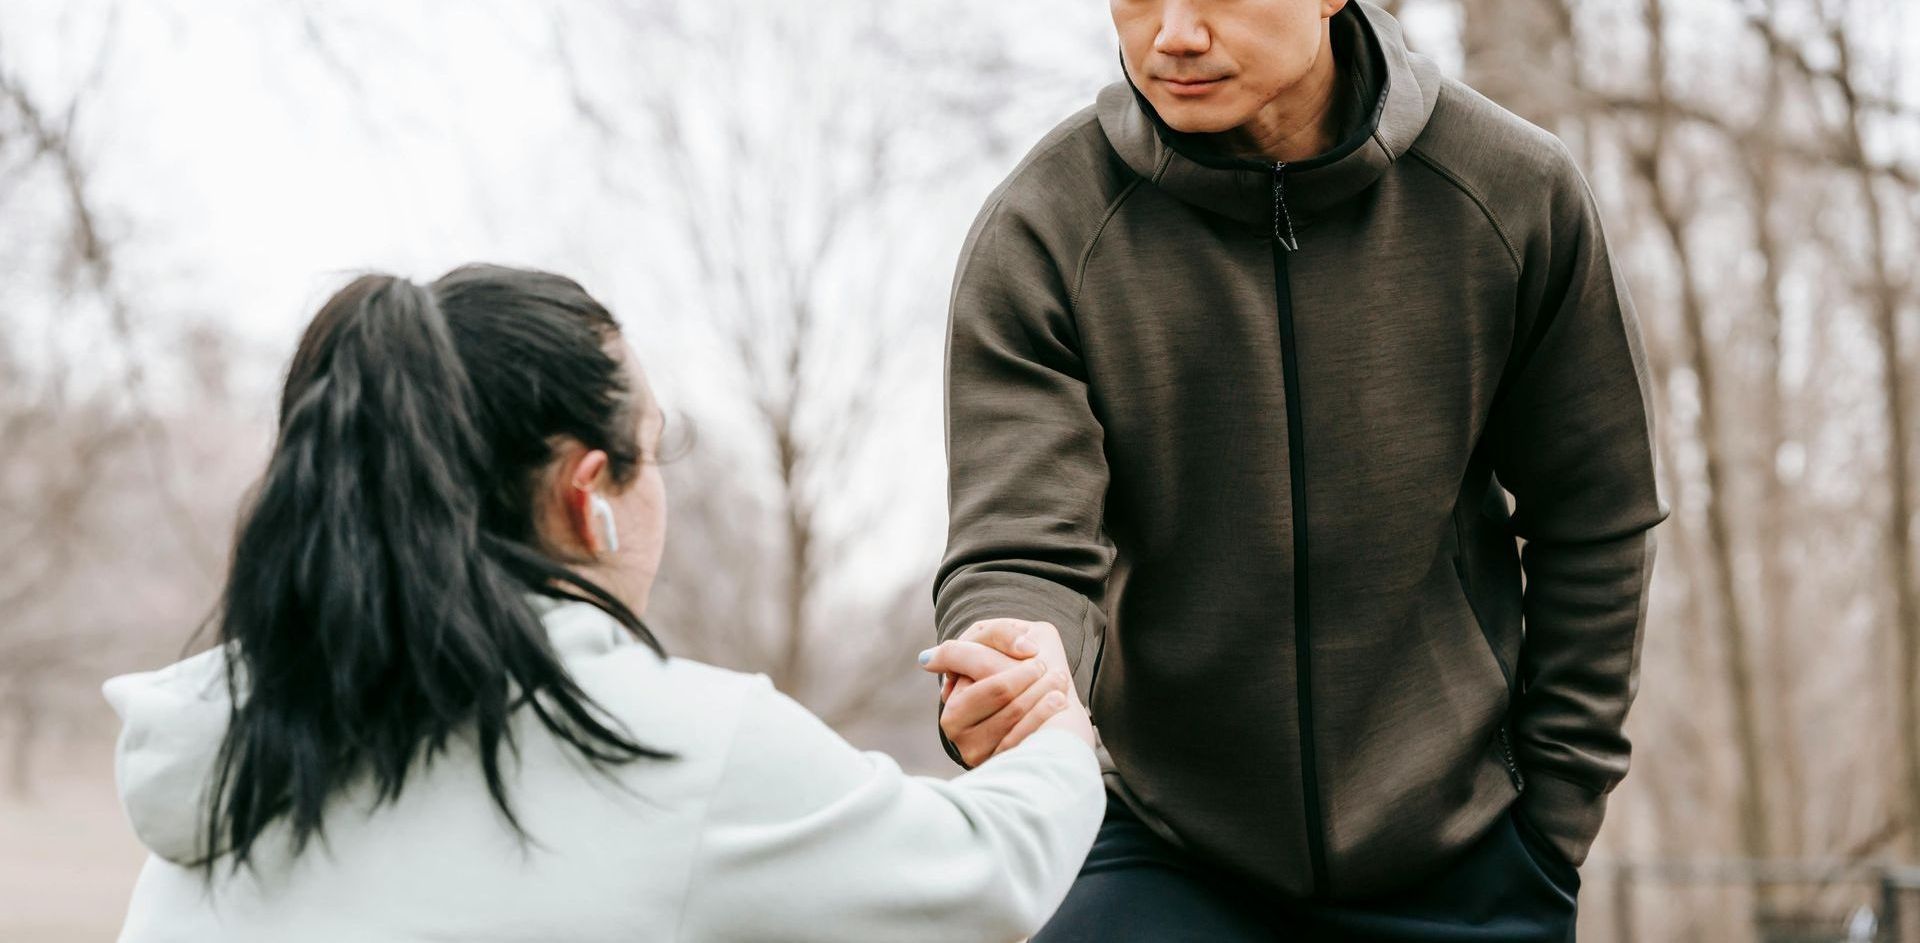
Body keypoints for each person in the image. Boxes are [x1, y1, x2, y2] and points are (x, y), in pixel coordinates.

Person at [927, 0, 1668, 939]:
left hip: (1467, 859)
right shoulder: (1045, 226)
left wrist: (1551, 821)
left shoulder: (1512, 191)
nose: (1175, 34)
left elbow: (1594, 518)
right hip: (1164, 848)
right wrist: (1005, 663)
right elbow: (1019, 546)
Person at [104, 265, 1103, 942]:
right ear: (592, 497)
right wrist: (1055, 728)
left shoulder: (221, 738)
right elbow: (990, 876)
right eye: (655, 450)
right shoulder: (674, 747)